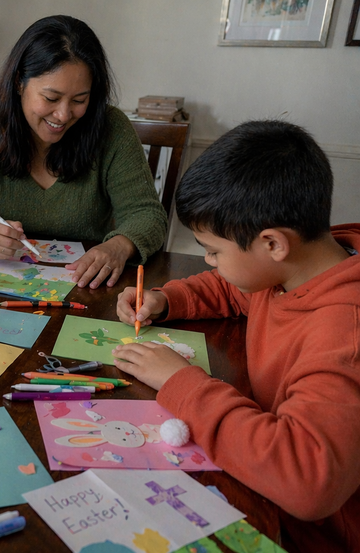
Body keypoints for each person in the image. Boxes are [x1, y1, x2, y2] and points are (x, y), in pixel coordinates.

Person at [113, 120, 360, 552]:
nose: (209, 262)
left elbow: (308, 481)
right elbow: (235, 286)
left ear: (273, 244)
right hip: (263, 477)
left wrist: (181, 383)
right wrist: (166, 299)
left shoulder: (344, 335)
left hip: (316, 532)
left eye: (213, 251)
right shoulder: (294, 267)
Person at [0, 15, 167, 289]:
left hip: (87, 288)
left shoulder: (111, 129)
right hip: (4, 286)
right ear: (19, 82)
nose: (63, 115)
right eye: (51, 98)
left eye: (79, 100)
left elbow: (147, 215)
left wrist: (119, 246)